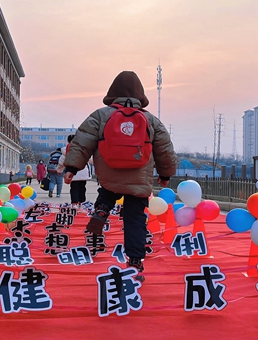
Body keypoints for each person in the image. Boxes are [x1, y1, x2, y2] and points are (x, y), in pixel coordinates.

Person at [63, 71, 177, 281]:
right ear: (140, 95)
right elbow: (165, 150)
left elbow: (82, 141)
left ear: (112, 92)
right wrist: (165, 174)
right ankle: (135, 262)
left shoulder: (100, 115)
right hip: (139, 178)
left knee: (108, 190)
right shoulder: (151, 120)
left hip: (109, 171)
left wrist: (71, 167)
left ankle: (101, 210)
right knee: (135, 219)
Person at [58, 136, 91, 205]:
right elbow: (90, 159)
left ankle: (74, 202)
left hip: (72, 173)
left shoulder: (67, 150)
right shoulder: (83, 149)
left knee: (74, 188)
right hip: (83, 172)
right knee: (82, 187)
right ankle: (81, 202)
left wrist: (59, 170)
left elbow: (61, 162)